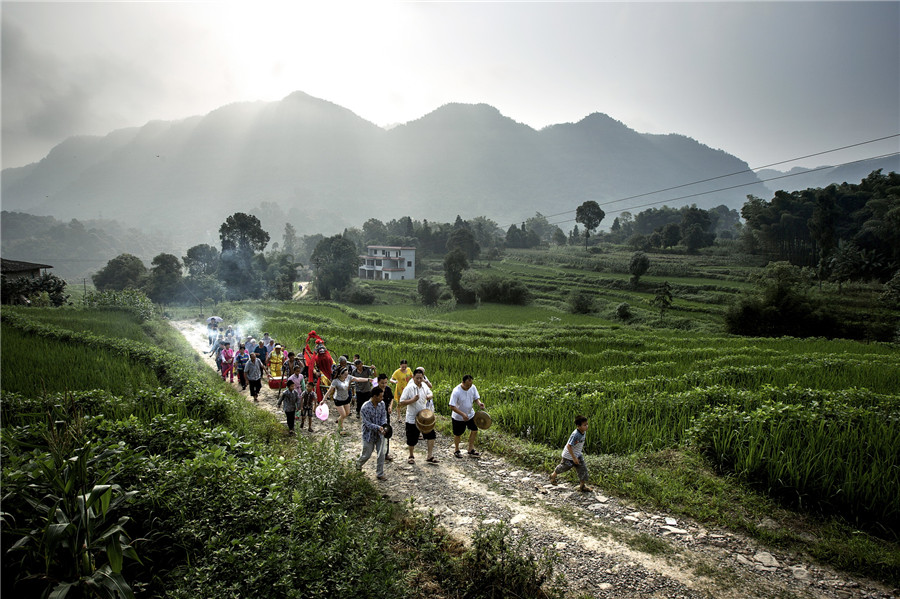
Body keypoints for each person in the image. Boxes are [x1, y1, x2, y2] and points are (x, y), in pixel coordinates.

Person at [399, 368, 437, 464]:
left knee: (431, 435)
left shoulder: (424, 386)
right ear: (413, 377)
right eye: (417, 378)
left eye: (421, 378)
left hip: (424, 416)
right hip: (412, 417)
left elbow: (430, 392)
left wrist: (429, 396)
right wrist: (412, 400)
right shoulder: (409, 388)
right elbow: (401, 402)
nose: (419, 380)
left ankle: (430, 455)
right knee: (411, 438)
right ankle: (411, 456)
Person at [550, 415, 591, 492]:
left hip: (578, 454)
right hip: (569, 456)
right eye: (584, 425)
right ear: (578, 426)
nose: (586, 426)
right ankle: (553, 475)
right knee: (564, 467)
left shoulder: (584, 432)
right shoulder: (576, 434)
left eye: (587, 424)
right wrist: (574, 458)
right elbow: (569, 446)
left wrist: (576, 456)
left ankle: (582, 486)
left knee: (583, 469)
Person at [323, 367, 369, 435]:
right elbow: (330, 391)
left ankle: (339, 420)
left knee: (347, 413)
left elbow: (358, 379)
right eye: (345, 374)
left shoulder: (348, 377)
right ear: (340, 374)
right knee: (343, 414)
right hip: (338, 399)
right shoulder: (335, 381)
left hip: (346, 398)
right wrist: (323, 399)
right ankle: (340, 429)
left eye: (347, 374)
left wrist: (368, 379)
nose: (346, 376)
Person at [356, 386, 388, 480]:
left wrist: (384, 426)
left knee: (381, 453)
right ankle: (359, 463)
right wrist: (379, 428)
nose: (382, 398)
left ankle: (380, 473)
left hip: (380, 434)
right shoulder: (365, 407)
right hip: (368, 435)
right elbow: (367, 424)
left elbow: (383, 416)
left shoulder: (382, 404)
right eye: (381, 396)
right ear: (375, 396)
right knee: (367, 454)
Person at [449, 374, 485, 458]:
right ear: (463, 382)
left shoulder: (472, 387)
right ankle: (457, 450)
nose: (469, 386)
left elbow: (476, 398)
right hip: (458, 417)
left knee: (474, 430)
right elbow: (451, 406)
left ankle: (470, 449)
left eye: (470, 384)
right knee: (458, 434)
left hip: (470, 414)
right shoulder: (456, 391)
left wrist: (479, 403)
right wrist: (462, 414)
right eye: (467, 385)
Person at [376, 373, 395, 461]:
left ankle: (386, 453)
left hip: (386, 415)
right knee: (378, 433)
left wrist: (390, 406)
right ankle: (378, 452)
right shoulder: (375, 391)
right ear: (378, 382)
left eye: (385, 383)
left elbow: (392, 398)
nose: (384, 385)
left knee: (386, 432)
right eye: (382, 383)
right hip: (377, 416)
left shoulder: (388, 389)